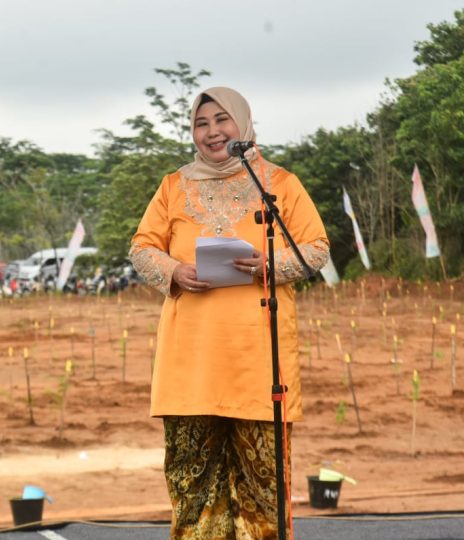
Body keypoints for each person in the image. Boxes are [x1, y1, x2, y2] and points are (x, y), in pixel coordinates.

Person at [130, 87, 329, 539]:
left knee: (263, 495)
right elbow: (141, 248)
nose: (213, 132)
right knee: (192, 491)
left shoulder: (278, 184)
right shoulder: (172, 186)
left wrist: (269, 265)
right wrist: (175, 271)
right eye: (201, 124)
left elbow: (316, 249)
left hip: (258, 364)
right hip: (189, 366)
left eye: (222, 120)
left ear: (243, 124)